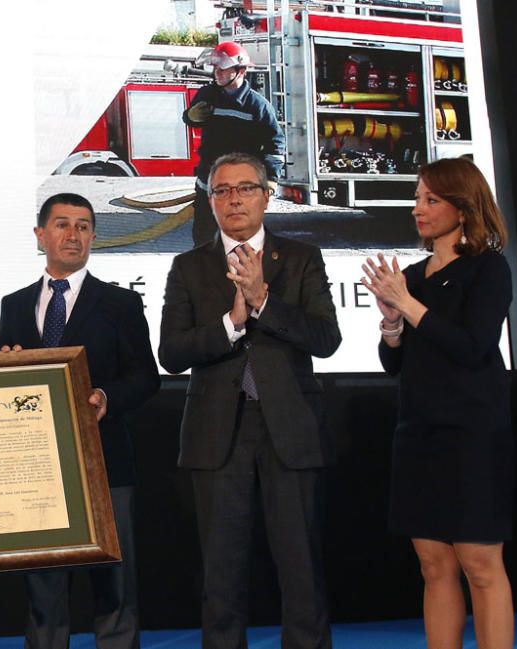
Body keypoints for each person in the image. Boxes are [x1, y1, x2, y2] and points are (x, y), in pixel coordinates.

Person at [159, 152, 340, 649]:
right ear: (210, 200)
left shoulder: (301, 259)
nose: (233, 199)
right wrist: (231, 324)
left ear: (266, 194)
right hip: (217, 433)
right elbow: (171, 353)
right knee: (221, 573)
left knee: (302, 567)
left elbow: (326, 338)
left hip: (290, 429)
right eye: (221, 190)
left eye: (245, 188)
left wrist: (263, 302)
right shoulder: (188, 266)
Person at [0, 192, 160, 649]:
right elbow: (1, 382)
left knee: (115, 582)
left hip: (106, 460)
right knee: (43, 583)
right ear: (40, 235)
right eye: (63, 224)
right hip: (37, 468)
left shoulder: (121, 304)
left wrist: (107, 395)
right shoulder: (14, 304)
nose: (74, 234)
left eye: (84, 226)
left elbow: (146, 377)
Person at [360, 157, 514, 649]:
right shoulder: (412, 275)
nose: (418, 209)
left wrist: (407, 305)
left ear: (463, 207)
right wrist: (390, 322)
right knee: (433, 564)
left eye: (431, 199)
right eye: (417, 198)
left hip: (471, 434)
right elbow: (395, 365)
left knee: (480, 565)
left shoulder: (488, 269)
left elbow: (473, 348)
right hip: (418, 433)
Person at [184, 42, 286, 247]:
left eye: (222, 68)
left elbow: (275, 145)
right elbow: (192, 119)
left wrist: (271, 180)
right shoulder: (207, 95)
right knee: (204, 243)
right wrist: (190, 116)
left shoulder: (258, 106)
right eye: (215, 68)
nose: (217, 73)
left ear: (240, 71)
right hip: (208, 186)